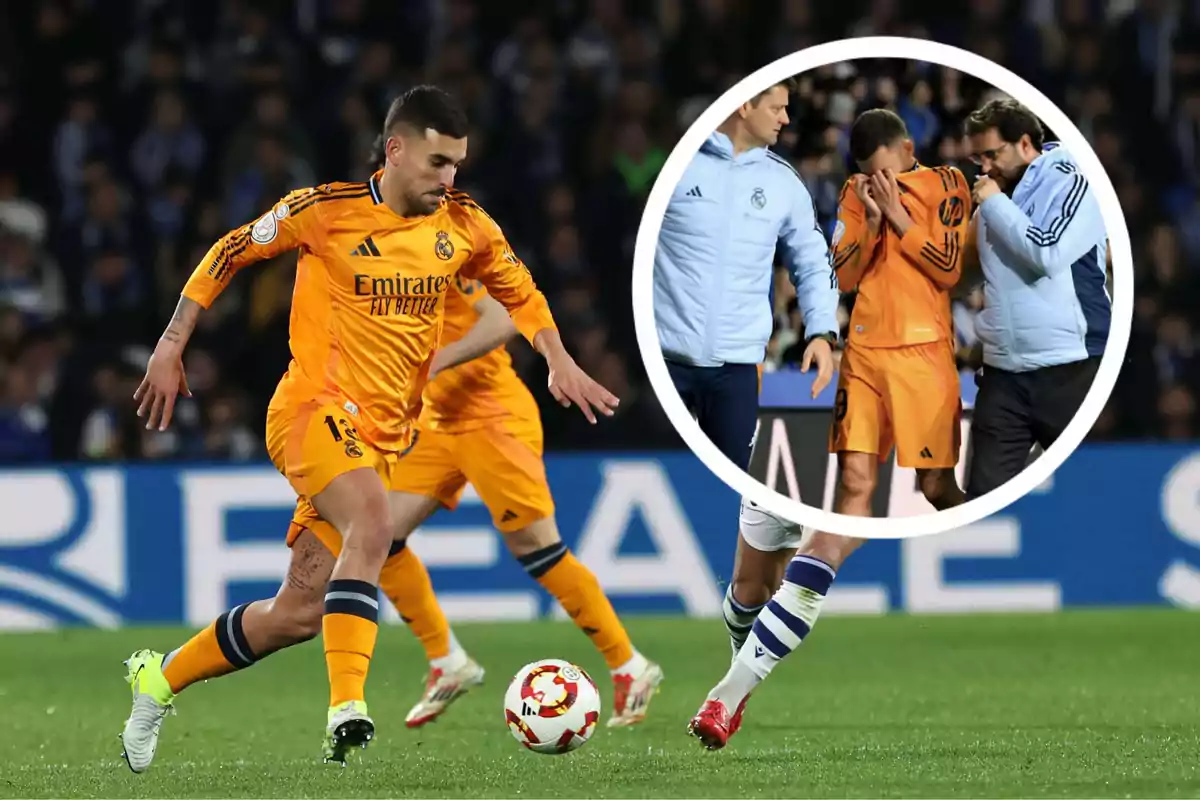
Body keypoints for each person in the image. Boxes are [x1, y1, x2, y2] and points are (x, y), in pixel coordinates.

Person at [122, 85, 617, 770]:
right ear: (396, 149)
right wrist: (172, 343)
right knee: (376, 524)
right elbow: (231, 250)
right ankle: (347, 707)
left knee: (296, 613)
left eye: (458, 165)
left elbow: (520, 292)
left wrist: (558, 358)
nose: (450, 180)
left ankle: (158, 679)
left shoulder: (466, 226)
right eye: (439, 163)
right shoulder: (325, 212)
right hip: (309, 412)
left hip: (383, 437)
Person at [117, 272, 662, 773]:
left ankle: (625, 664)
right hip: (362, 428)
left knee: (522, 549)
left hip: (482, 417)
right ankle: (422, 668)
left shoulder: (439, 243)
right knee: (335, 576)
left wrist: (441, 364)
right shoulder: (343, 243)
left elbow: (500, 316)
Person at [689, 108, 972, 750]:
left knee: (928, 489)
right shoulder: (852, 195)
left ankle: (727, 695)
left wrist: (899, 217)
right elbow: (840, 277)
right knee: (751, 587)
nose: (878, 183)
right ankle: (739, 680)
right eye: (867, 176)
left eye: (885, 171)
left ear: (907, 151)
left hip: (926, 355)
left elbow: (949, 271)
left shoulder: (946, 184)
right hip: (866, 357)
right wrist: (871, 225)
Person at [652, 76, 841, 673]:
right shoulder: (676, 168)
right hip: (666, 362)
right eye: (777, 106)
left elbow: (812, 262)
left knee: (759, 507)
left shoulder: (781, 183)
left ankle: (744, 608)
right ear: (743, 106)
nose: (786, 118)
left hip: (737, 368)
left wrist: (820, 332)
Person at [962, 98, 1109, 499]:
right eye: (978, 158)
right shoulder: (996, 199)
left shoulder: (1071, 176)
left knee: (1096, 499)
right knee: (983, 501)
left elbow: (1047, 252)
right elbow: (962, 277)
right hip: (1004, 375)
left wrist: (993, 202)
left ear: (1025, 144)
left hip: (1071, 367)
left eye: (992, 154)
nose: (985, 167)